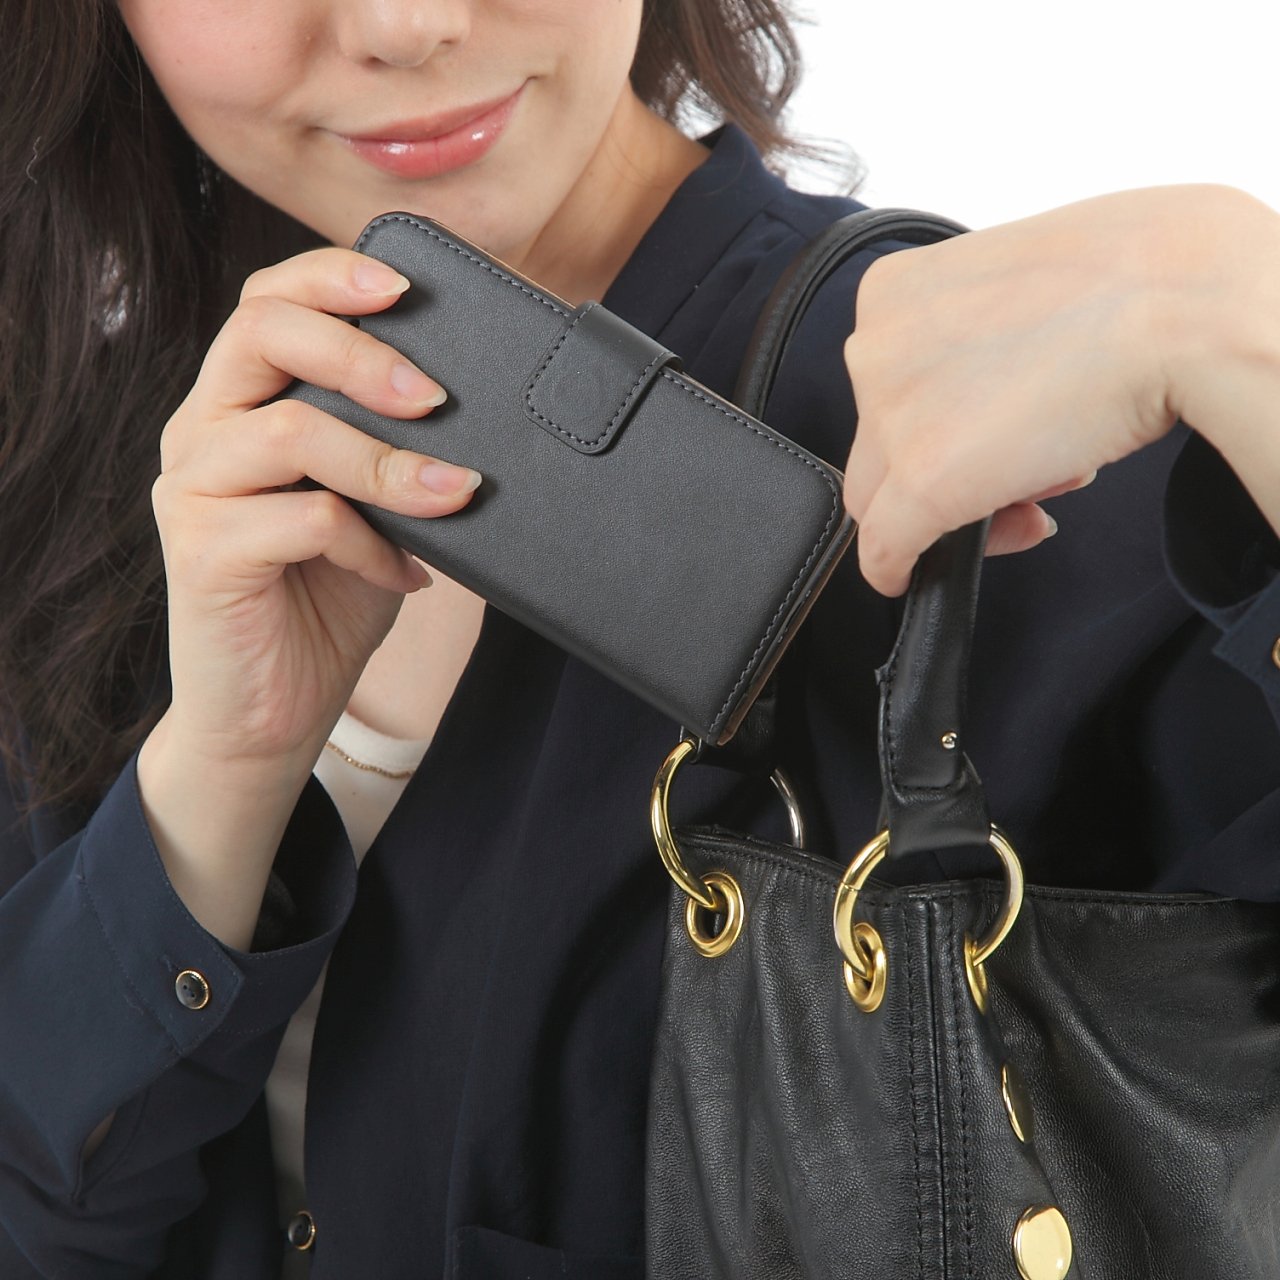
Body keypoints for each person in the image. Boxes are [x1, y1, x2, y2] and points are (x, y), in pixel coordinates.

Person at [1, 1, 1276, 1277]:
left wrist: (1248, 329)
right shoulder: (68, 464)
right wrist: (221, 773)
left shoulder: (1041, 449)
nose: (407, 24)